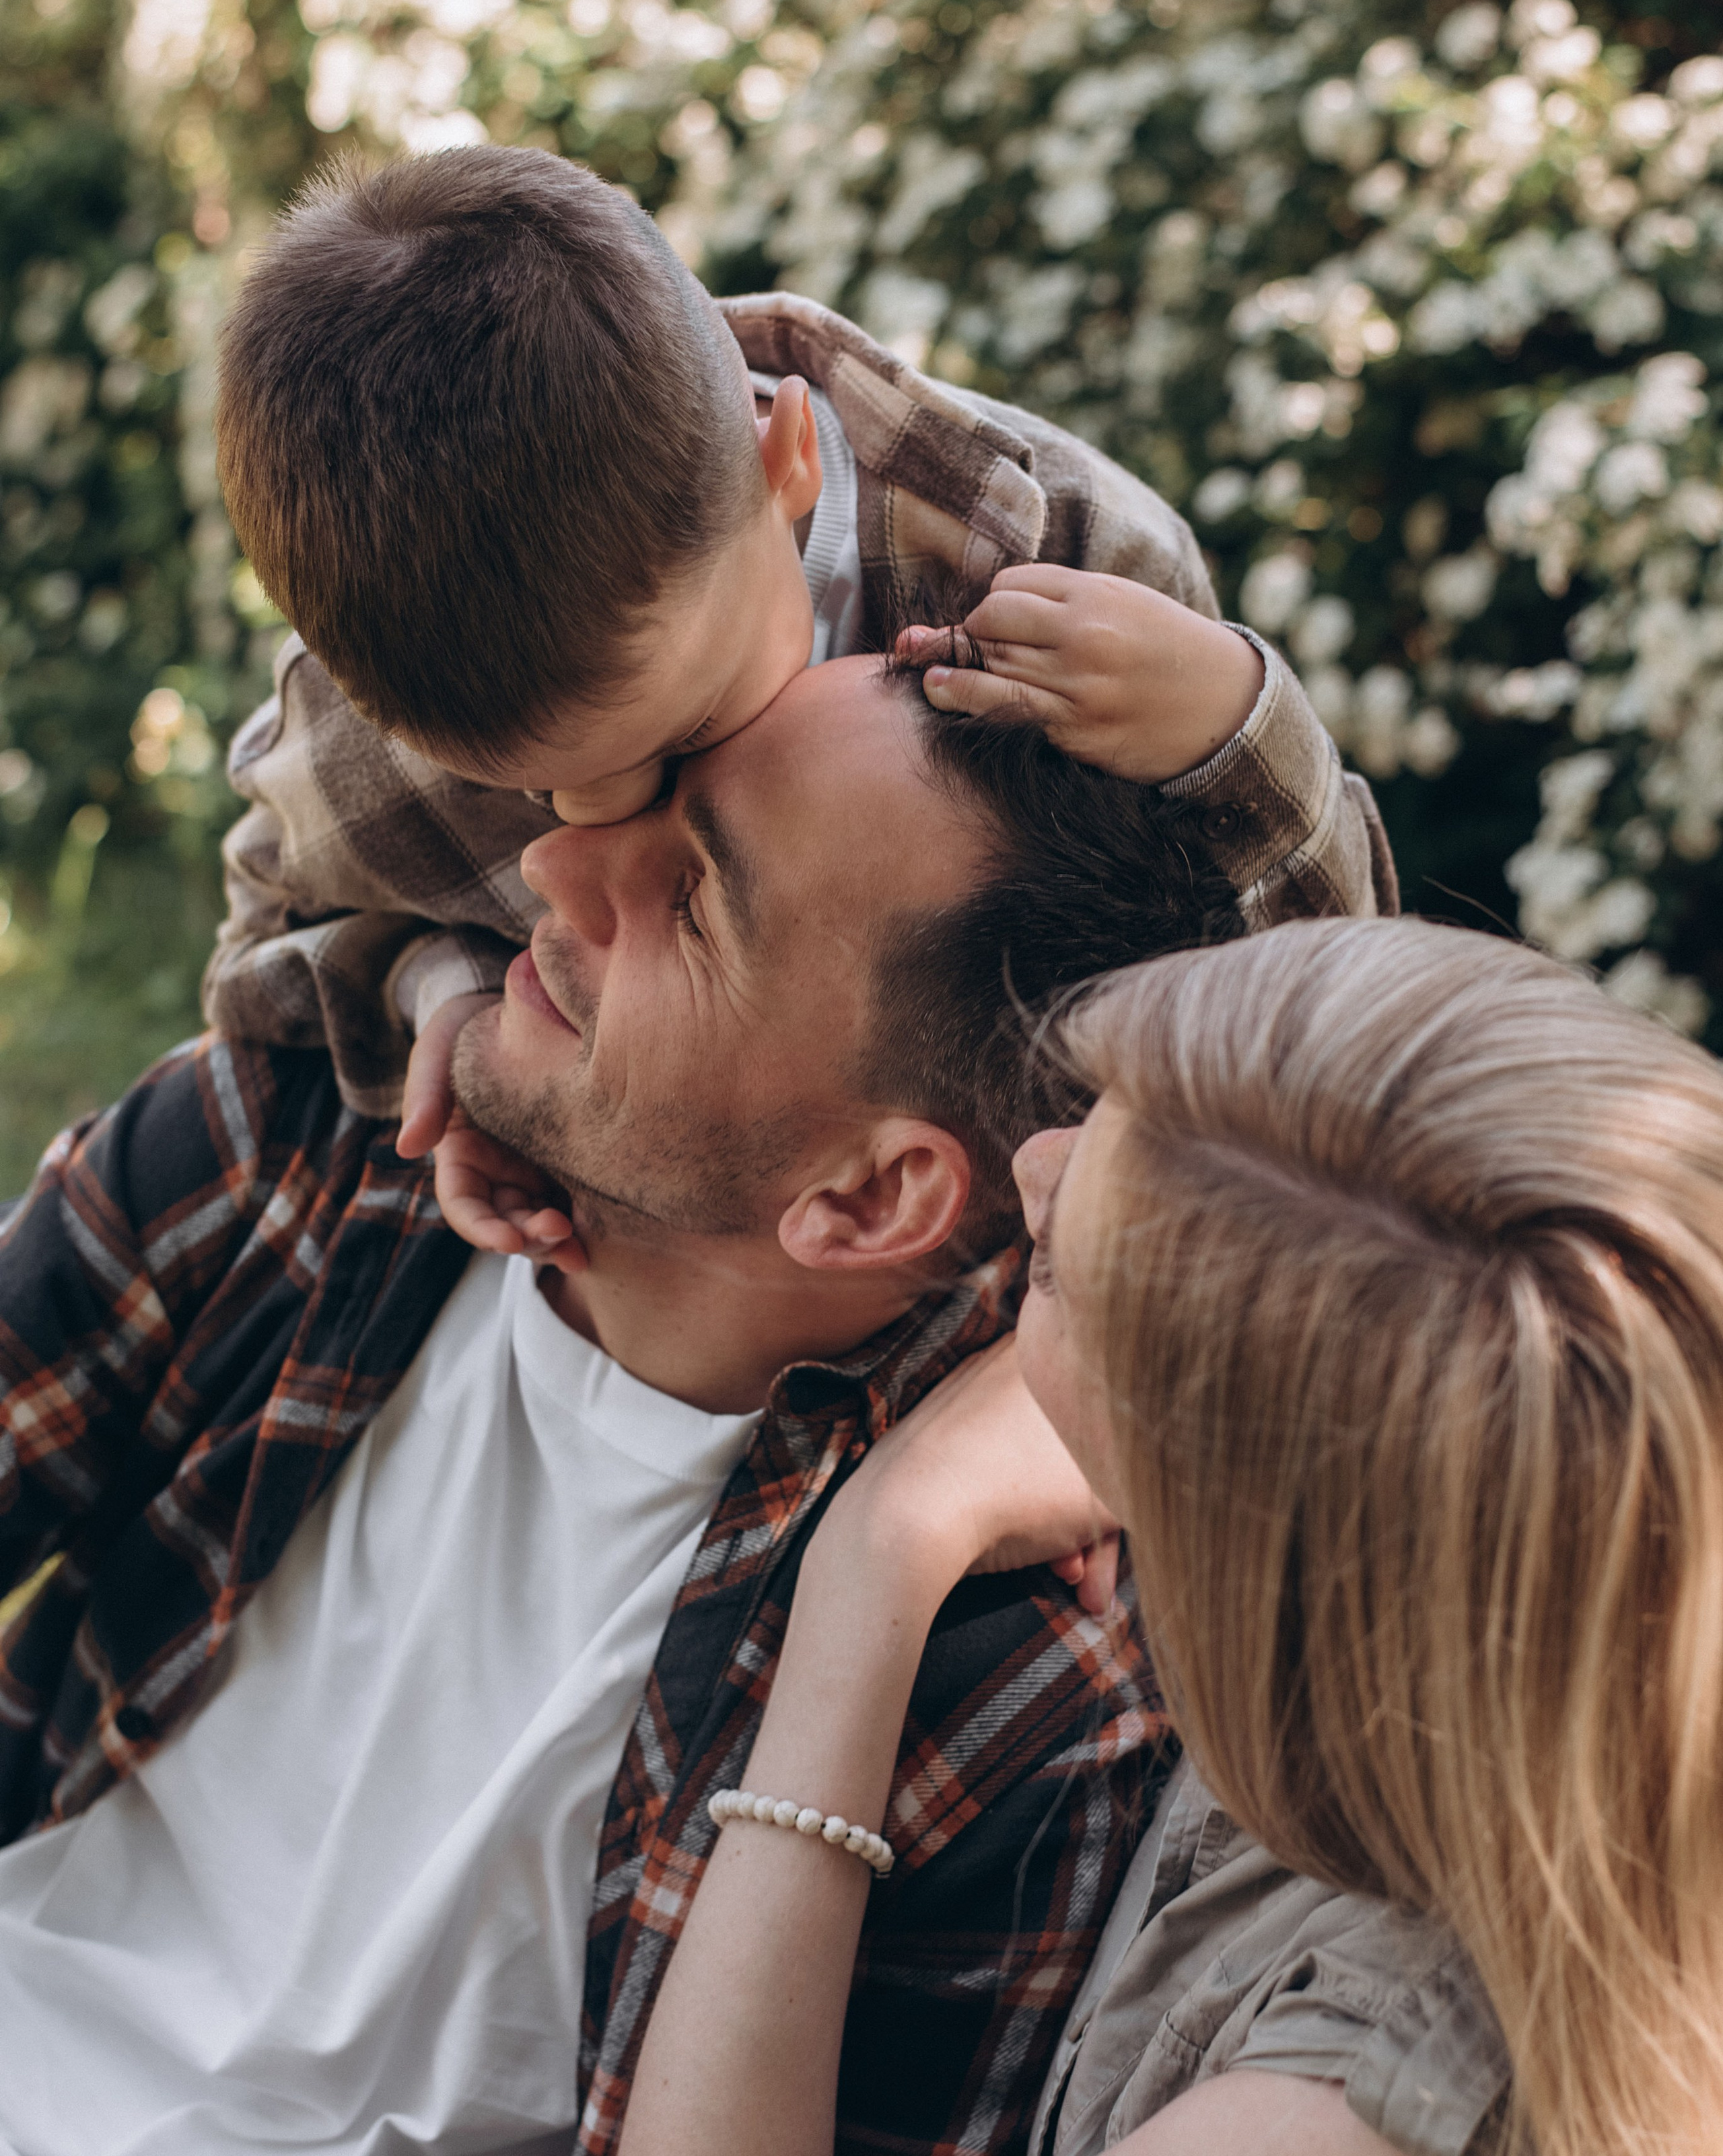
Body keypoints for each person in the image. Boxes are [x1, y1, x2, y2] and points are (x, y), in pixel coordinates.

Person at [0, 630, 1260, 2156]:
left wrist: (886, 1557)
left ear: (867, 1199)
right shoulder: (301, 1155)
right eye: (653, 796)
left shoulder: (1015, 1674)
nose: (552, 863)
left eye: (690, 901)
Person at [625, 915, 1723, 2156]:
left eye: (1050, 1267)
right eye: (1103, 1109)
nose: (1032, 1161)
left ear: (1238, 1550)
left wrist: (875, 1552)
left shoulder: (1334, 2116)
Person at [203, 143, 1395, 1263]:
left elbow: (1326, 1042)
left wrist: (1231, 728)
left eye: (677, 742)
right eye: (522, 789)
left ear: (788, 460)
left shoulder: (1060, 561)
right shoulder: (364, 726)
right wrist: (444, 999)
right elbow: (265, 945)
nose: (583, 833)